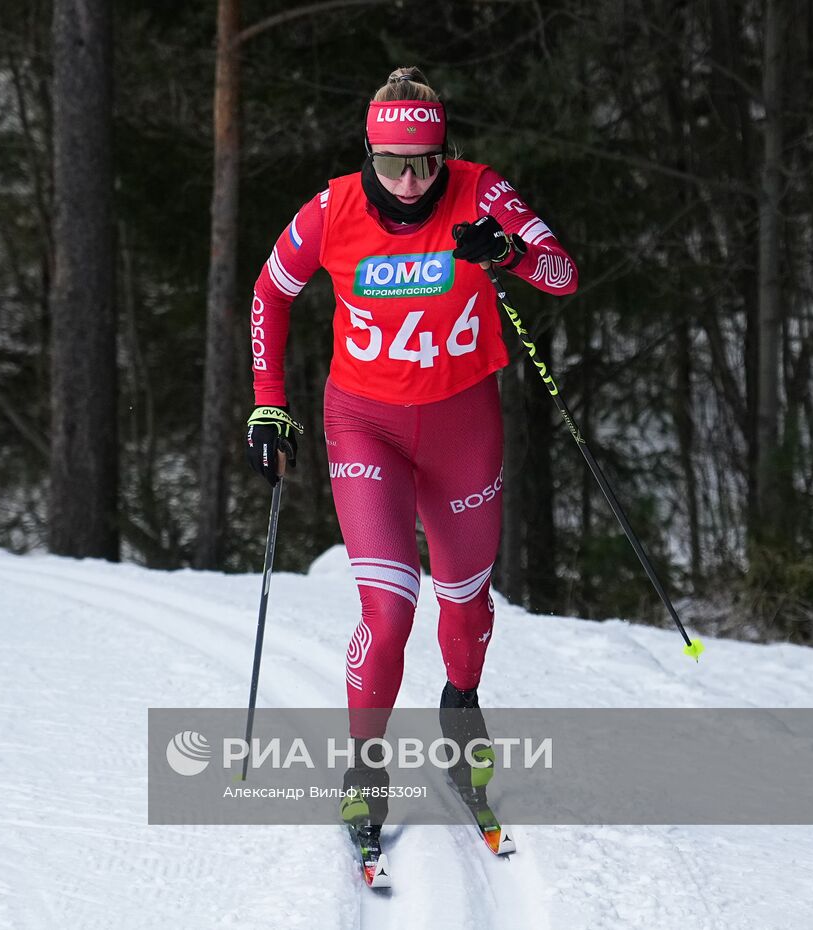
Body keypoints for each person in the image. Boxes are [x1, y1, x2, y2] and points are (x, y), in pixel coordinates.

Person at [242, 67, 578, 842]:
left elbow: (562, 273)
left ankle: (460, 709)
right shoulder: (332, 210)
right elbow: (269, 290)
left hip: (463, 427)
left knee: (466, 605)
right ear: (369, 151)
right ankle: (365, 768)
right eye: (394, 163)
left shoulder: (480, 190)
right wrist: (269, 401)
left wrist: (510, 253)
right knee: (388, 612)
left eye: (428, 162)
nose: (412, 179)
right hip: (367, 426)